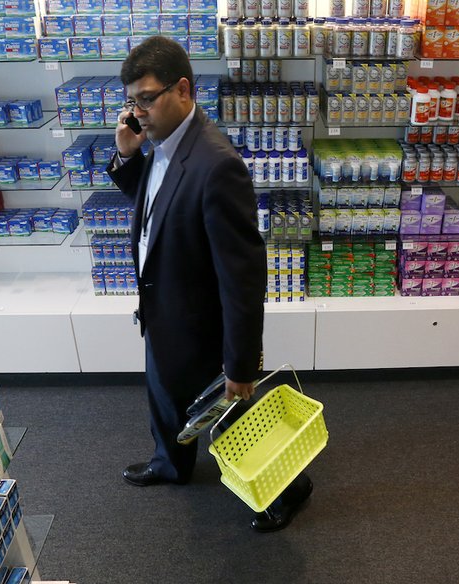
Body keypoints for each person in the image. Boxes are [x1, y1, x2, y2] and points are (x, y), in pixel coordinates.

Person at [106, 35, 312, 532]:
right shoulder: (161, 143)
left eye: (147, 99)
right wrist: (128, 156)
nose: (138, 113)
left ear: (182, 89)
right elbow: (159, 206)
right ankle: (170, 464)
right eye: (131, 101)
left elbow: (243, 276)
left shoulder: (217, 163)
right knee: (164, 395)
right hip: (165, 308)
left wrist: (241, 362)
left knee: (233, 417)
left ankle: (289, 489)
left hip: (202, 326)